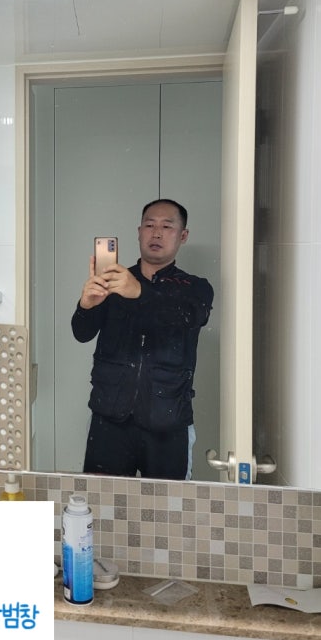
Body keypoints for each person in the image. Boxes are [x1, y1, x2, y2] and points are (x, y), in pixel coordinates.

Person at [72, 199, 213, 480]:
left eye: (167, 226)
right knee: (103, 500)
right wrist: (86, 305)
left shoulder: (195, 287)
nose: (156, 233)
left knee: (167, 505)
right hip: (109, 417)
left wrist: (138, 292)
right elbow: (81, 333)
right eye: (149, 225)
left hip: (168, 421)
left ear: (183, 235)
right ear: (139, 232)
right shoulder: (114, 281)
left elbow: (187, 316)